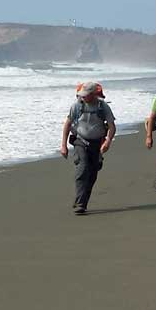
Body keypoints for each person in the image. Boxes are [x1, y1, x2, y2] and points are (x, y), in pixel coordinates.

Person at [61, 82, 116, 214]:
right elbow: (67, 125)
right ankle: (80, 203)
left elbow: (112, 126)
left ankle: (82, 203)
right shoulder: (76, 106)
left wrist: (108, 141)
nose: (83, 97)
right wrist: (63, 145)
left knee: (92, 174)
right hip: (80, 141)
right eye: (81, 95)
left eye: (85, 95)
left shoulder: (103, 107)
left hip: (97, 143)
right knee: (83, 167)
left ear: (93, 94)